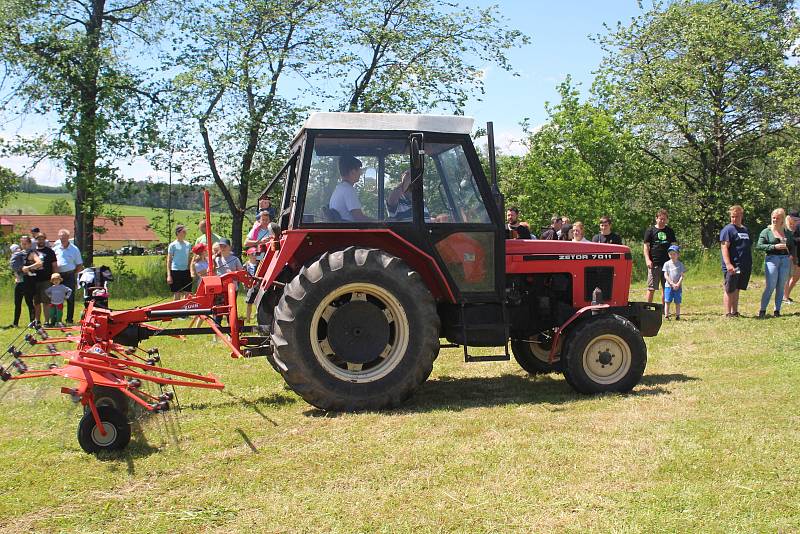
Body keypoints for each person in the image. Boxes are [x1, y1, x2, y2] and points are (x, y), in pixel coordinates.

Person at [756, 208, 796, 318]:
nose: (774, 220)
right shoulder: (766, 231)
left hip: (785, 260)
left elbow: (792, 246)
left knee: (781, 286)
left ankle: (777, 310)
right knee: (771, 286)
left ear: (782, 219)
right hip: (772, 259)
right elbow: (759, 245)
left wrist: (792, 258)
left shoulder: (787, 232)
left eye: (777, 218)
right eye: (773, 217)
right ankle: (762, 310)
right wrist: (774, 246)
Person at [719, 205, 752, 318]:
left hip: (743, 265)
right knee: (730, 289)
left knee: (737, 289)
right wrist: (728, 264)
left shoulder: (745, 230)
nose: (734, 219)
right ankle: (728, 313)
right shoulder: (728, 230)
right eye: (732, 216)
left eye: (736, 216)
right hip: (732, 266)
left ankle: (735, 312)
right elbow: (724, 247)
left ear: (741, 216)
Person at [643, 209, 677, 304]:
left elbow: (673, 246)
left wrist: (674, 260)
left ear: (667, 220)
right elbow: (646, 246)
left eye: (664, 219)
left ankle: (664, 310)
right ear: (656, 219)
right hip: (654, 264)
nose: (662, 221)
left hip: (667, 264)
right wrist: (647, 260)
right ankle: (647, 308)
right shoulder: (650, 230)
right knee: (651, 288)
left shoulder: (670, 231)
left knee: (666, 287)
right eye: (660, 219)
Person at [52, 229, 83, 324]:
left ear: (68, 237)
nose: (62, 239)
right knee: (57, 298)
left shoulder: (74, 249)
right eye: (61, 237)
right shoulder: (56, 249)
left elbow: (79, 265)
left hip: (69, 275)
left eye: (64, 237)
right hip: (58, 276)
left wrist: (73, 273)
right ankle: (56, 319)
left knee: (70, 298)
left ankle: (69, 319)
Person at [329, 155, 370, 221]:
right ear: (352, 172)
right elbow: (359, 218)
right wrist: (380, 223)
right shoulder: (348, 190)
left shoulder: (339, 189)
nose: (361, 173)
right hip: (350, 229)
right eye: (359, 170)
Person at [31, 233, 57, 324]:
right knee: (36, 302)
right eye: (38, 239)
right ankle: (37, 320)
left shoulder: (50, 251)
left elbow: (54, 266)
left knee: (46, 302)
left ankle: (47, 321)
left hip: (46, 280)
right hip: (34, 280)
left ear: (45, 240)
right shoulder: (32, 252)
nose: (40, 241)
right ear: (35, 240)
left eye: (42, 239)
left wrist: (55, 278)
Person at [10, 239, 34, 327]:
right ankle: (15, 323)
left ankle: (32, 322)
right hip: (19, 282)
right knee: (17, 303)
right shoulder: (18, 255)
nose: (24, 245)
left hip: (27, 282)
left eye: (25, 244)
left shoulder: (30, 254)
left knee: (29, 302)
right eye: (22, 244)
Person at [167, 224, 192, 300]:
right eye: (183, 231)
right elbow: (169, 260)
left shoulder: (188, 244)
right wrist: (169, 275)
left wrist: (190, 270)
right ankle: (176, 311)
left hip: (186, 271)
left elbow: (189, 259)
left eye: (185, 232)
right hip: (175, 271)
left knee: (187, 292)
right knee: (177, 292)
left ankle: (185, 311)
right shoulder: (172, 245)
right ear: (178, 233)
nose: (185, 233)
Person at [662, 245, 686, 320]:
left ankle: (678, 315)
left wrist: (678, 284)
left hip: (678, 287)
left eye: (674, 254)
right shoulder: (667, 264)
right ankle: (666, 315)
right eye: (670, 254)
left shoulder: (680, 264)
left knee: (677, 301)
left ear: (678, 255)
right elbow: (665, 275)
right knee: (667, 301)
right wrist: (671, 283)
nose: (672, 255)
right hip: (668, 286)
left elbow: (682, 276)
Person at [782, 210, 800, 303]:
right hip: (789, 254)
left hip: (797, 253)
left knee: (795, 276)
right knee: (788, 276)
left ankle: (786, 295)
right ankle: (784, 297)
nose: (797, 221)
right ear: (789, 218)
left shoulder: (796, 227)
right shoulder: (785, 228)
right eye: (795, 220)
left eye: (797, 220)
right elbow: (789, 241)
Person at [244, 247, 260, 322]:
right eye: (253, 254)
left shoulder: (260, 264)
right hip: (249, 286)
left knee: (258, 302)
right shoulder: (246, 265)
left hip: (257, 285)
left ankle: (258, 317)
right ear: (249, 255)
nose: (254, 256)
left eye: (256, 254)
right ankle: (248, 318)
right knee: (249, 302)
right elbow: (243, 275)